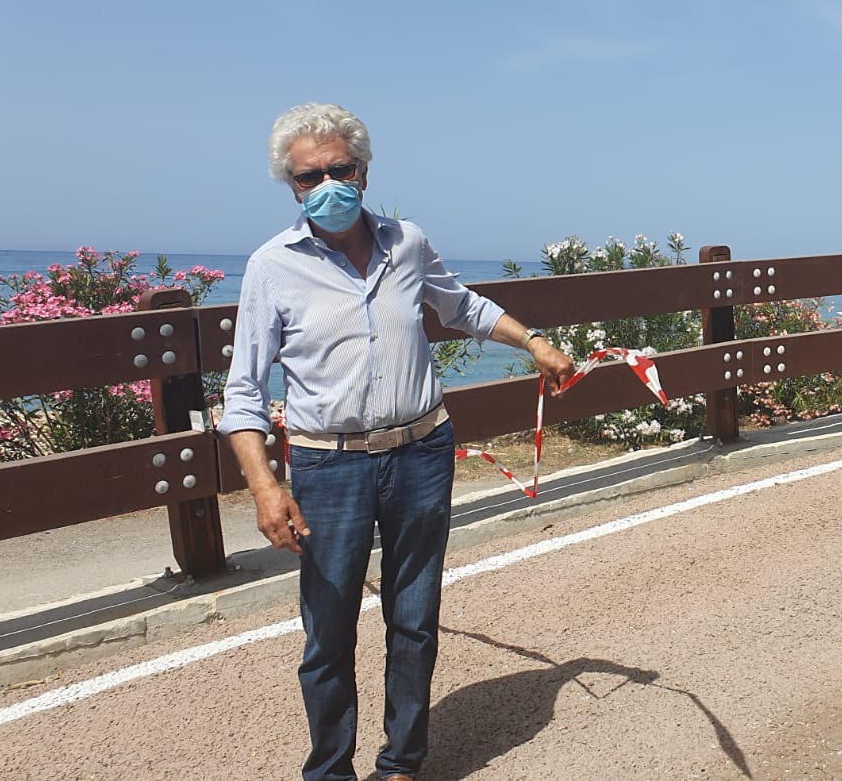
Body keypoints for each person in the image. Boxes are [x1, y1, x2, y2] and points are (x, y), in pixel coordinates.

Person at [218, 102, 576, 781]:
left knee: (414, 618)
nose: (326, 185)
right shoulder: (272, 266)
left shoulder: (406, 242)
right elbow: (241, 390)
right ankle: (330, 771)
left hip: (421, 451)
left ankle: (402, 761)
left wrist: (534, 342)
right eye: (307, 177)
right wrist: (267, 486)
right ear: (291, 187)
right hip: (328, 467)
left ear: (364, 167)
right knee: (328, 634)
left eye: (339, 169)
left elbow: (460, 305)